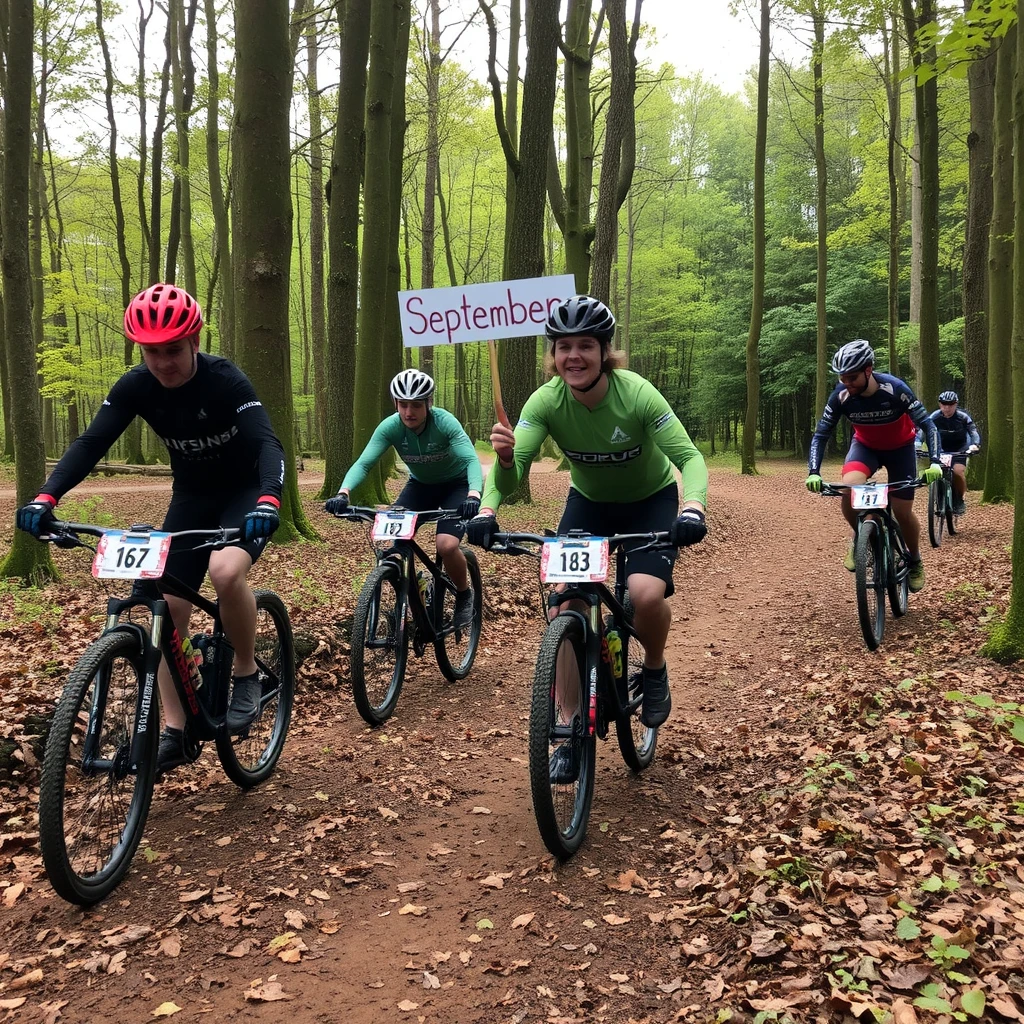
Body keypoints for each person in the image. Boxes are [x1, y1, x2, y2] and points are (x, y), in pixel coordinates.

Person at [16, 283, 285, 774]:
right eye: (151, 352)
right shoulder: (135, 385)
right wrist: (45, 496)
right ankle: (177, 730)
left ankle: (246, 671)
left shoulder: (226, 380)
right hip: (191, 498)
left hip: (246, 495)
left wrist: (269, 497)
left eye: (173, 350)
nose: (163, 362)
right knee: (165, 606)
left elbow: (268, 444)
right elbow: (90, 443)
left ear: (194, 341)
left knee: (225, 572)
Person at [466, 294, 708, 755]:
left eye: (585, 345)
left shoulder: (635, 393)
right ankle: (570, 727)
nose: (573, 355)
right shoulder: (546, 401)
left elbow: (690, 458)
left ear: (604, 352)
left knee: (644, 593)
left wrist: (693, 507)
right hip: (589, 504)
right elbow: (512, 472)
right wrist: (488, 506)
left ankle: (653, 667)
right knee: (565, 607)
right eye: (563, 346)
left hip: (649, 502)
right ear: (553, 356)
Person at [324, 369, 482, 630]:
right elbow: (364, 463)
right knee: (398, 543)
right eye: (403, 404)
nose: (409, 412)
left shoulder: (445, 423)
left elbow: (470, 460)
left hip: (457, 486)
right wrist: (343, 493)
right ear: (396, 403)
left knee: (446, 545)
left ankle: (464, 594)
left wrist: (473, 495)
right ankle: (416, 590)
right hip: (420, 487)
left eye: (417, 405)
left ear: (428, 404)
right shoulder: (391, 426)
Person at [805, 339, 942, 591]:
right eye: (842, 377)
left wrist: (935, 462)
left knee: (902, 511)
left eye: (852, 377)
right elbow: (821, 433)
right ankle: (860, 538)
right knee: (848, 491)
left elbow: (928, 425)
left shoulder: (896, 388)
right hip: (865, 448)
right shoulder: (841, 395)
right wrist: (814, 471)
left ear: (868, 370)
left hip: (900, 449)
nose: (846, 382)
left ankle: (914, 560)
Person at [919, 391, 981, 516]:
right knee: (937, 472)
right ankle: (939, 497)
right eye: (943, 404)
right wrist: (917, 443)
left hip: (960, 448)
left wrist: (975, 444)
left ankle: (959, 500)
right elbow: (923, 431)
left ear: (956, 404)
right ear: (939, 404)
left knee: (958, 472)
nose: (947, 408)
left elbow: (973, 431)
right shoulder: (934, 417)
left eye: (950, 405)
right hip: (940, 449)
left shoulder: (962, 417)